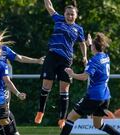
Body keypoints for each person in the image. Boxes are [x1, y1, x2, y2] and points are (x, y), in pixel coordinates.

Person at [35, 0, 87, 128]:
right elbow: (49, 6)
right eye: (67, 14)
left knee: (64, 88)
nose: (69, 16)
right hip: (52, 56)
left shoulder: (78, 29)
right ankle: (41, 111)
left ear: (76, 16)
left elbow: (82, 43)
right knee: (47, 84)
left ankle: (62, 118)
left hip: (66, 60)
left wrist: (85, 56)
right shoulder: (58, 19)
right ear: (64, 14)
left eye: (72, 14)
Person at [60, 33, 120, 135]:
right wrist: (89, 45)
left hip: (94, 96)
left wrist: (72, 74)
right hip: (105, 97)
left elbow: (84, 77)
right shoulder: (105, 56)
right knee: (98, 125)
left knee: (70, 118)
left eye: (92, 45)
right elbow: (94, 67)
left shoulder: (94, 61)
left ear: (94, 46)